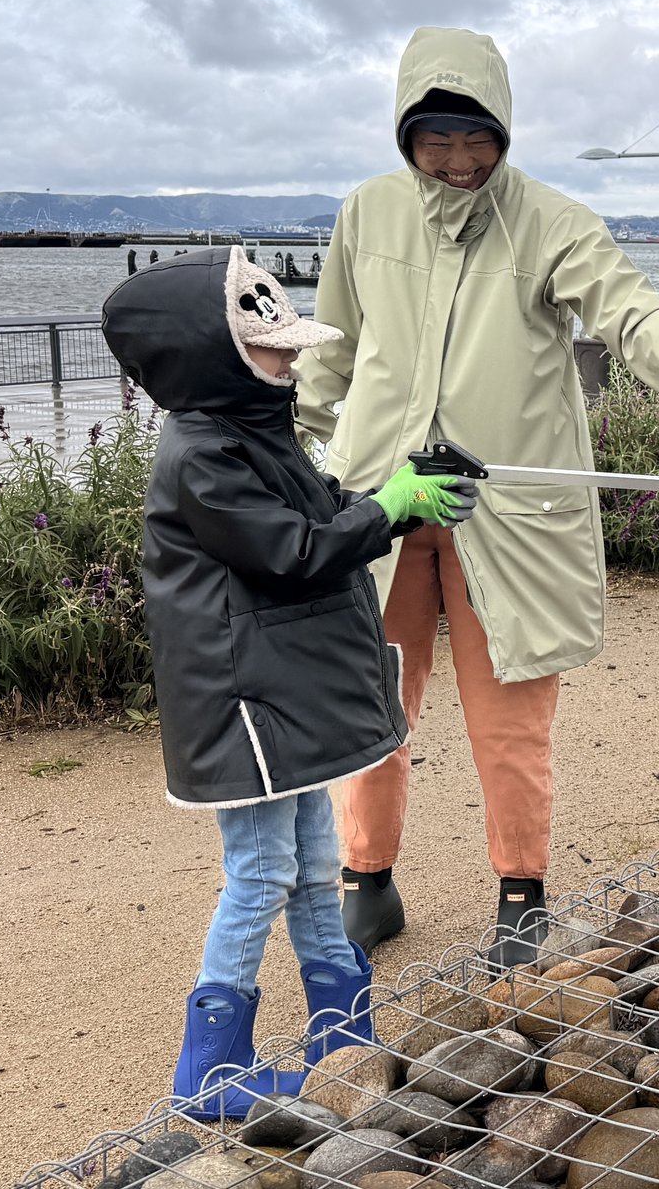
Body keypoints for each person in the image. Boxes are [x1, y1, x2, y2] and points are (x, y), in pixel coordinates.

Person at [298, 27, 659, 966]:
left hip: (506, 515)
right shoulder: (366, 215)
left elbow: (628, 311)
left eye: (476, 137)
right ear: (405, 135)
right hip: (381, 507)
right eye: (434, 138)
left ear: (504, 131)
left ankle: (521, 893)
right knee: (367, 703)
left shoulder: (554, 223)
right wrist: (282, 452)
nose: (457, 160)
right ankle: (368, 879)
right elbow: (329, 349)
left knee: (511, 717)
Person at [100, 245, 481, 1118]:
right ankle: (210, 1072)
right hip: (242, 703)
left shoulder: (251, 432)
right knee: (262, 870)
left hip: (280, 694)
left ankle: (343, 1043)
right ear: (211, 355)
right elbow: (293, 552)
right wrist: (391, 510)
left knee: (315, 868)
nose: (293, 358)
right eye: (273, 348)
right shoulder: (201, 456)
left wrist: (398, 487)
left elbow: (320, 511)